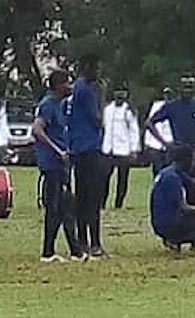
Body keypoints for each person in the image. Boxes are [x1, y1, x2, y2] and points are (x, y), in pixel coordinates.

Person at [33, 70, 83, 263]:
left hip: (61, 163)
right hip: (52, 163)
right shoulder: (47, 105)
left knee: (66, 205)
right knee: (55, 207)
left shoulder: (62, 106)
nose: (70, 87)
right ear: (58, 86)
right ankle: (47, 251)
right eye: (67, 84)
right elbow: (37, 129)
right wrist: (57, 150)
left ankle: (75, 250)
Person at [146, 74, 195, 207]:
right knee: (174, 186)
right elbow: (149, 123)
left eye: (190, 86)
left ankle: (194, 216)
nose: (187, 89)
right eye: (184, 86)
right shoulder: (172, 106)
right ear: (179, 88)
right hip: (178, 153)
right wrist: (166, 144)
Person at [69, 55, 106, 258]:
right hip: (90, 147)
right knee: (93, 198)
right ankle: (95, 243)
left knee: (82, 196)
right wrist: (103, 96)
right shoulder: (88, 91)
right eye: (97, 69)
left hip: (78, 148)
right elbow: (98, 120)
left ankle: (82, 240)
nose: (99, 74)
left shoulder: (76, 88)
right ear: (89, 69)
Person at [101, 86, 141, 209]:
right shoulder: (108, 109)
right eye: (117, 92)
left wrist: (134, 150)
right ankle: (102, 203)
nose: (119, 95)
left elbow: (134, 131)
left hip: (124, 150)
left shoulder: (129, 111)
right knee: (104, 178)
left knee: (122, 179)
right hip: (109, 149)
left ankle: (119, 203)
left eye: (122, 93)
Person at [144, 87, 174, 177]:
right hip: (157, 144)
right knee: (157, 170)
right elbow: (149, 123)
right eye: (166, 94)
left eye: (169, 94)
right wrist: (147, 142)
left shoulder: (176, 106)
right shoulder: (157, 106)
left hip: (171, 143)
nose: (167, 96)